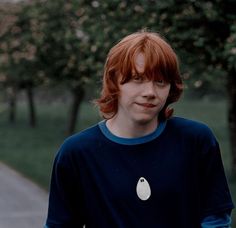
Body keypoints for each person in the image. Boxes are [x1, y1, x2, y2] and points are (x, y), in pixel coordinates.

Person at [45, 31, 234, 227]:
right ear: (113, 81)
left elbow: (216, 218)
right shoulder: (77, 153)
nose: (150, 92)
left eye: (160, 81)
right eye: (138, 78)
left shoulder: (196, 140)